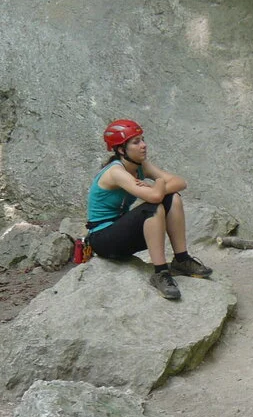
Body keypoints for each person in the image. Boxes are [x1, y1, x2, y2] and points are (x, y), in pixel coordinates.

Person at [86, 119, 212, 300]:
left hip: (122, 231)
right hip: (103, 240)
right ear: (122, 150)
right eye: (136, 142)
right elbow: (154, 197)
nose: (144, 145)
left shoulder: (140, 166)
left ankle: (182, 259)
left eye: (143, 140)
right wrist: (159, 182)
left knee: (173, 198)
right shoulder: (116, 171)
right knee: (152, 208)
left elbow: (180, 182)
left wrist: (157, 187)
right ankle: (160, 273)